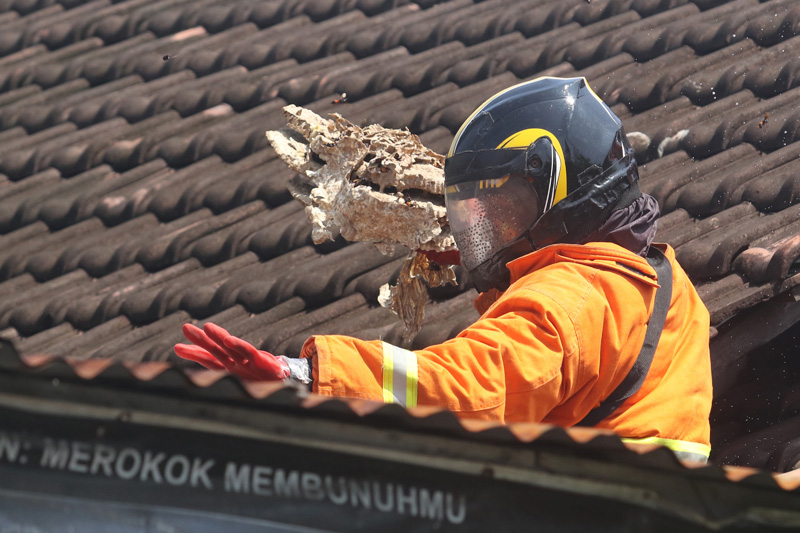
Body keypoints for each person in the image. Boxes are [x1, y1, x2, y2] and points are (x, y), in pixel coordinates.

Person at [175, 77, 713, 463]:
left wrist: (312, 376)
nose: (480, 233)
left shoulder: (573, 294)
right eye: (473, 215)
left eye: (500, 211)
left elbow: (471, 387)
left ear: (558, 190)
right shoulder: (654, 275)